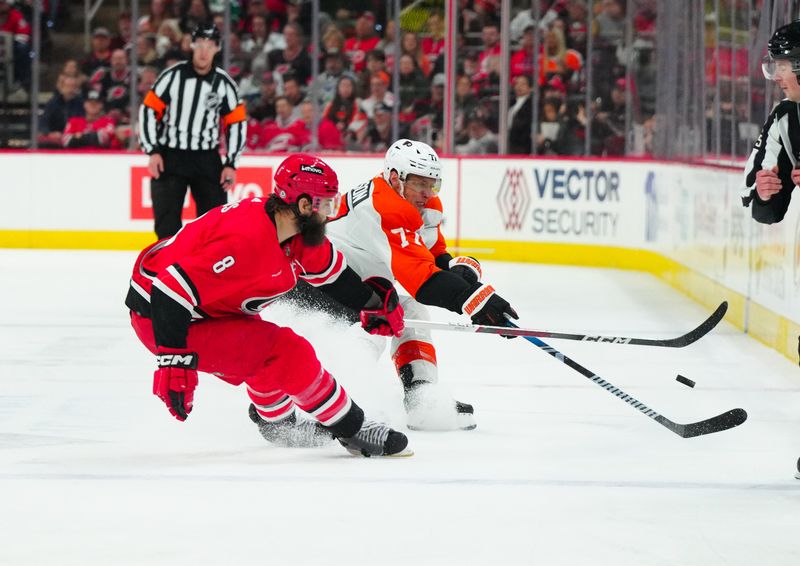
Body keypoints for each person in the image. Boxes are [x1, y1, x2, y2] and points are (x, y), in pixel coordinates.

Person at [125, 154, 411, 458]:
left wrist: (372, 304)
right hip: (164, 317)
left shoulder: (292, 230)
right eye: (326, 203)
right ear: (303, 205)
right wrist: (173, 362)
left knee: (260, 345)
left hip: (207, 305)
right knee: (284, 350)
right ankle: (354, 429)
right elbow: (169, 288)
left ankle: (278, 424)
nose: (330, 212)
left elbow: (333, 274)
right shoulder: (247, 241)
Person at [290, 140, 519, 431]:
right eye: (420, 184)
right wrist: (478, 301)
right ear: (396, 177)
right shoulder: (386, 207)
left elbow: (432, 255)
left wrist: (458, 269)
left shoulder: (420, 201)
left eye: (432, 184)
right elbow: (422, 280)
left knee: (408, 310)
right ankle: (333, 405)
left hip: (351, 279)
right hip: (315, 281)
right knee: (371, 325)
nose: (427, 192)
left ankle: (422, 398)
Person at [740, 20, 800, 480]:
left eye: (782, 66)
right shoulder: (786, 118)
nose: (777, 76)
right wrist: (765, 192)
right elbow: (764, 203)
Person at [138, 23, 247, 239]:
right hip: (171, 156)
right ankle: (166, 269)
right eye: (200, 45)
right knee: (166, 225)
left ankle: (207, 271)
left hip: (206, 159)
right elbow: (148, 110)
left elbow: (236, 123)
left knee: (213, 225)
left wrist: (231, 162)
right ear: (192, 45)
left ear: (217, 48)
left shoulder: (224, 84)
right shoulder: (172, 77)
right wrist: (153, 151)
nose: (204, 51)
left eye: (210, 45)